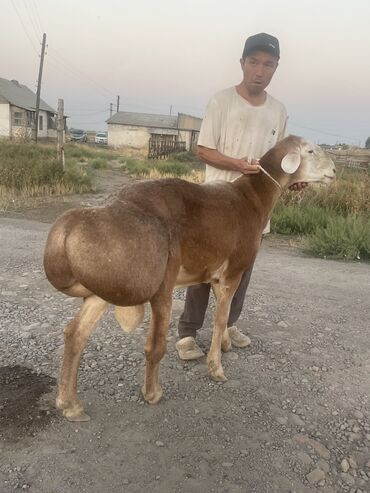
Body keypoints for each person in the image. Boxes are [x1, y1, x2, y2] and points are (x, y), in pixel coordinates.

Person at [176, 32, 306, 360]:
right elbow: (203, 149)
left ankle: (229, 325)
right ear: (242, 63)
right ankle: (188, 333)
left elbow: (280, 163)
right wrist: (236, 164)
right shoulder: (221, 101)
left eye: (268, 64)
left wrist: (294, 179)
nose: (260, 70)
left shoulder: (279, 111)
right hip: (216, 204)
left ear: (276, 68)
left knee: (243, 269)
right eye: (254, 62)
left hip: (254, 208)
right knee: (203, 270)